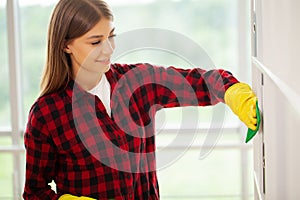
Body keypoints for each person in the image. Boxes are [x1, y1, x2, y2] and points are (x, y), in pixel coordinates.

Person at [22, 0, 258, 199]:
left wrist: (231, 91)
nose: (108, 50)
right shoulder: (46, 114)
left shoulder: (138, 82)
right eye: (95, 42)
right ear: (66, 45)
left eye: (111, 36)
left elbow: (201, 82)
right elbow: (34, 191)